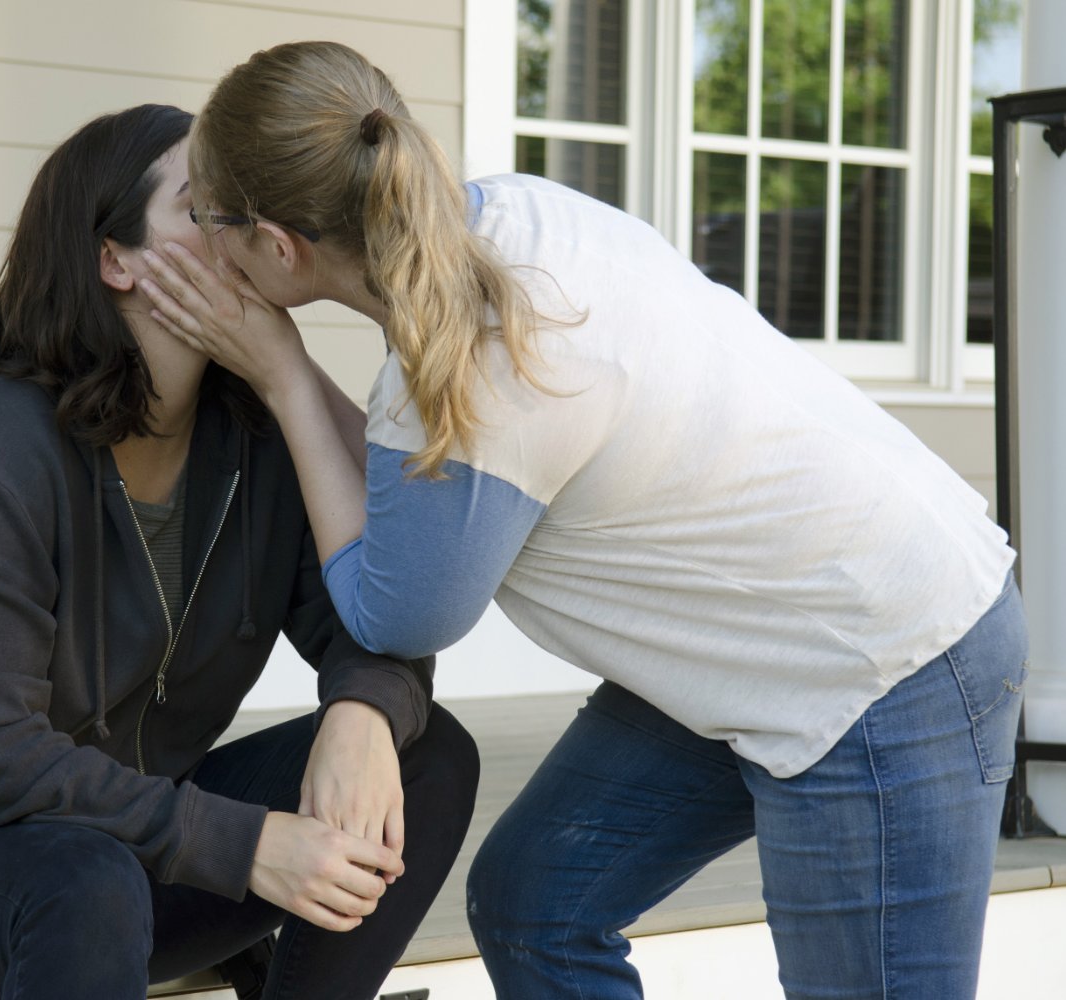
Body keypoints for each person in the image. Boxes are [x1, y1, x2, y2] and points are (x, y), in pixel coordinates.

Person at [138, 41, 1029, 1000]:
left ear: (279, 247)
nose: (199, 239)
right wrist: (296, 378)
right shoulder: (508, 214)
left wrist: (279, 373)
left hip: (881, 660)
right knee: (539, 905)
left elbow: (393, 612)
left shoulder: (462, 369)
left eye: (209, 217)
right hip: (763, 635)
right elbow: (429, 487)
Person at [0, 103, 479, 1000]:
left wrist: (362, 716)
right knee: (81, 878)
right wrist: (248, 845)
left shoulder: (257, 435)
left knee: (425, 755)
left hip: (110, 855)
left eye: (240, 205)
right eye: (201, 207)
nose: (236, 227)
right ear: (115, 261)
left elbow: (376, 610)